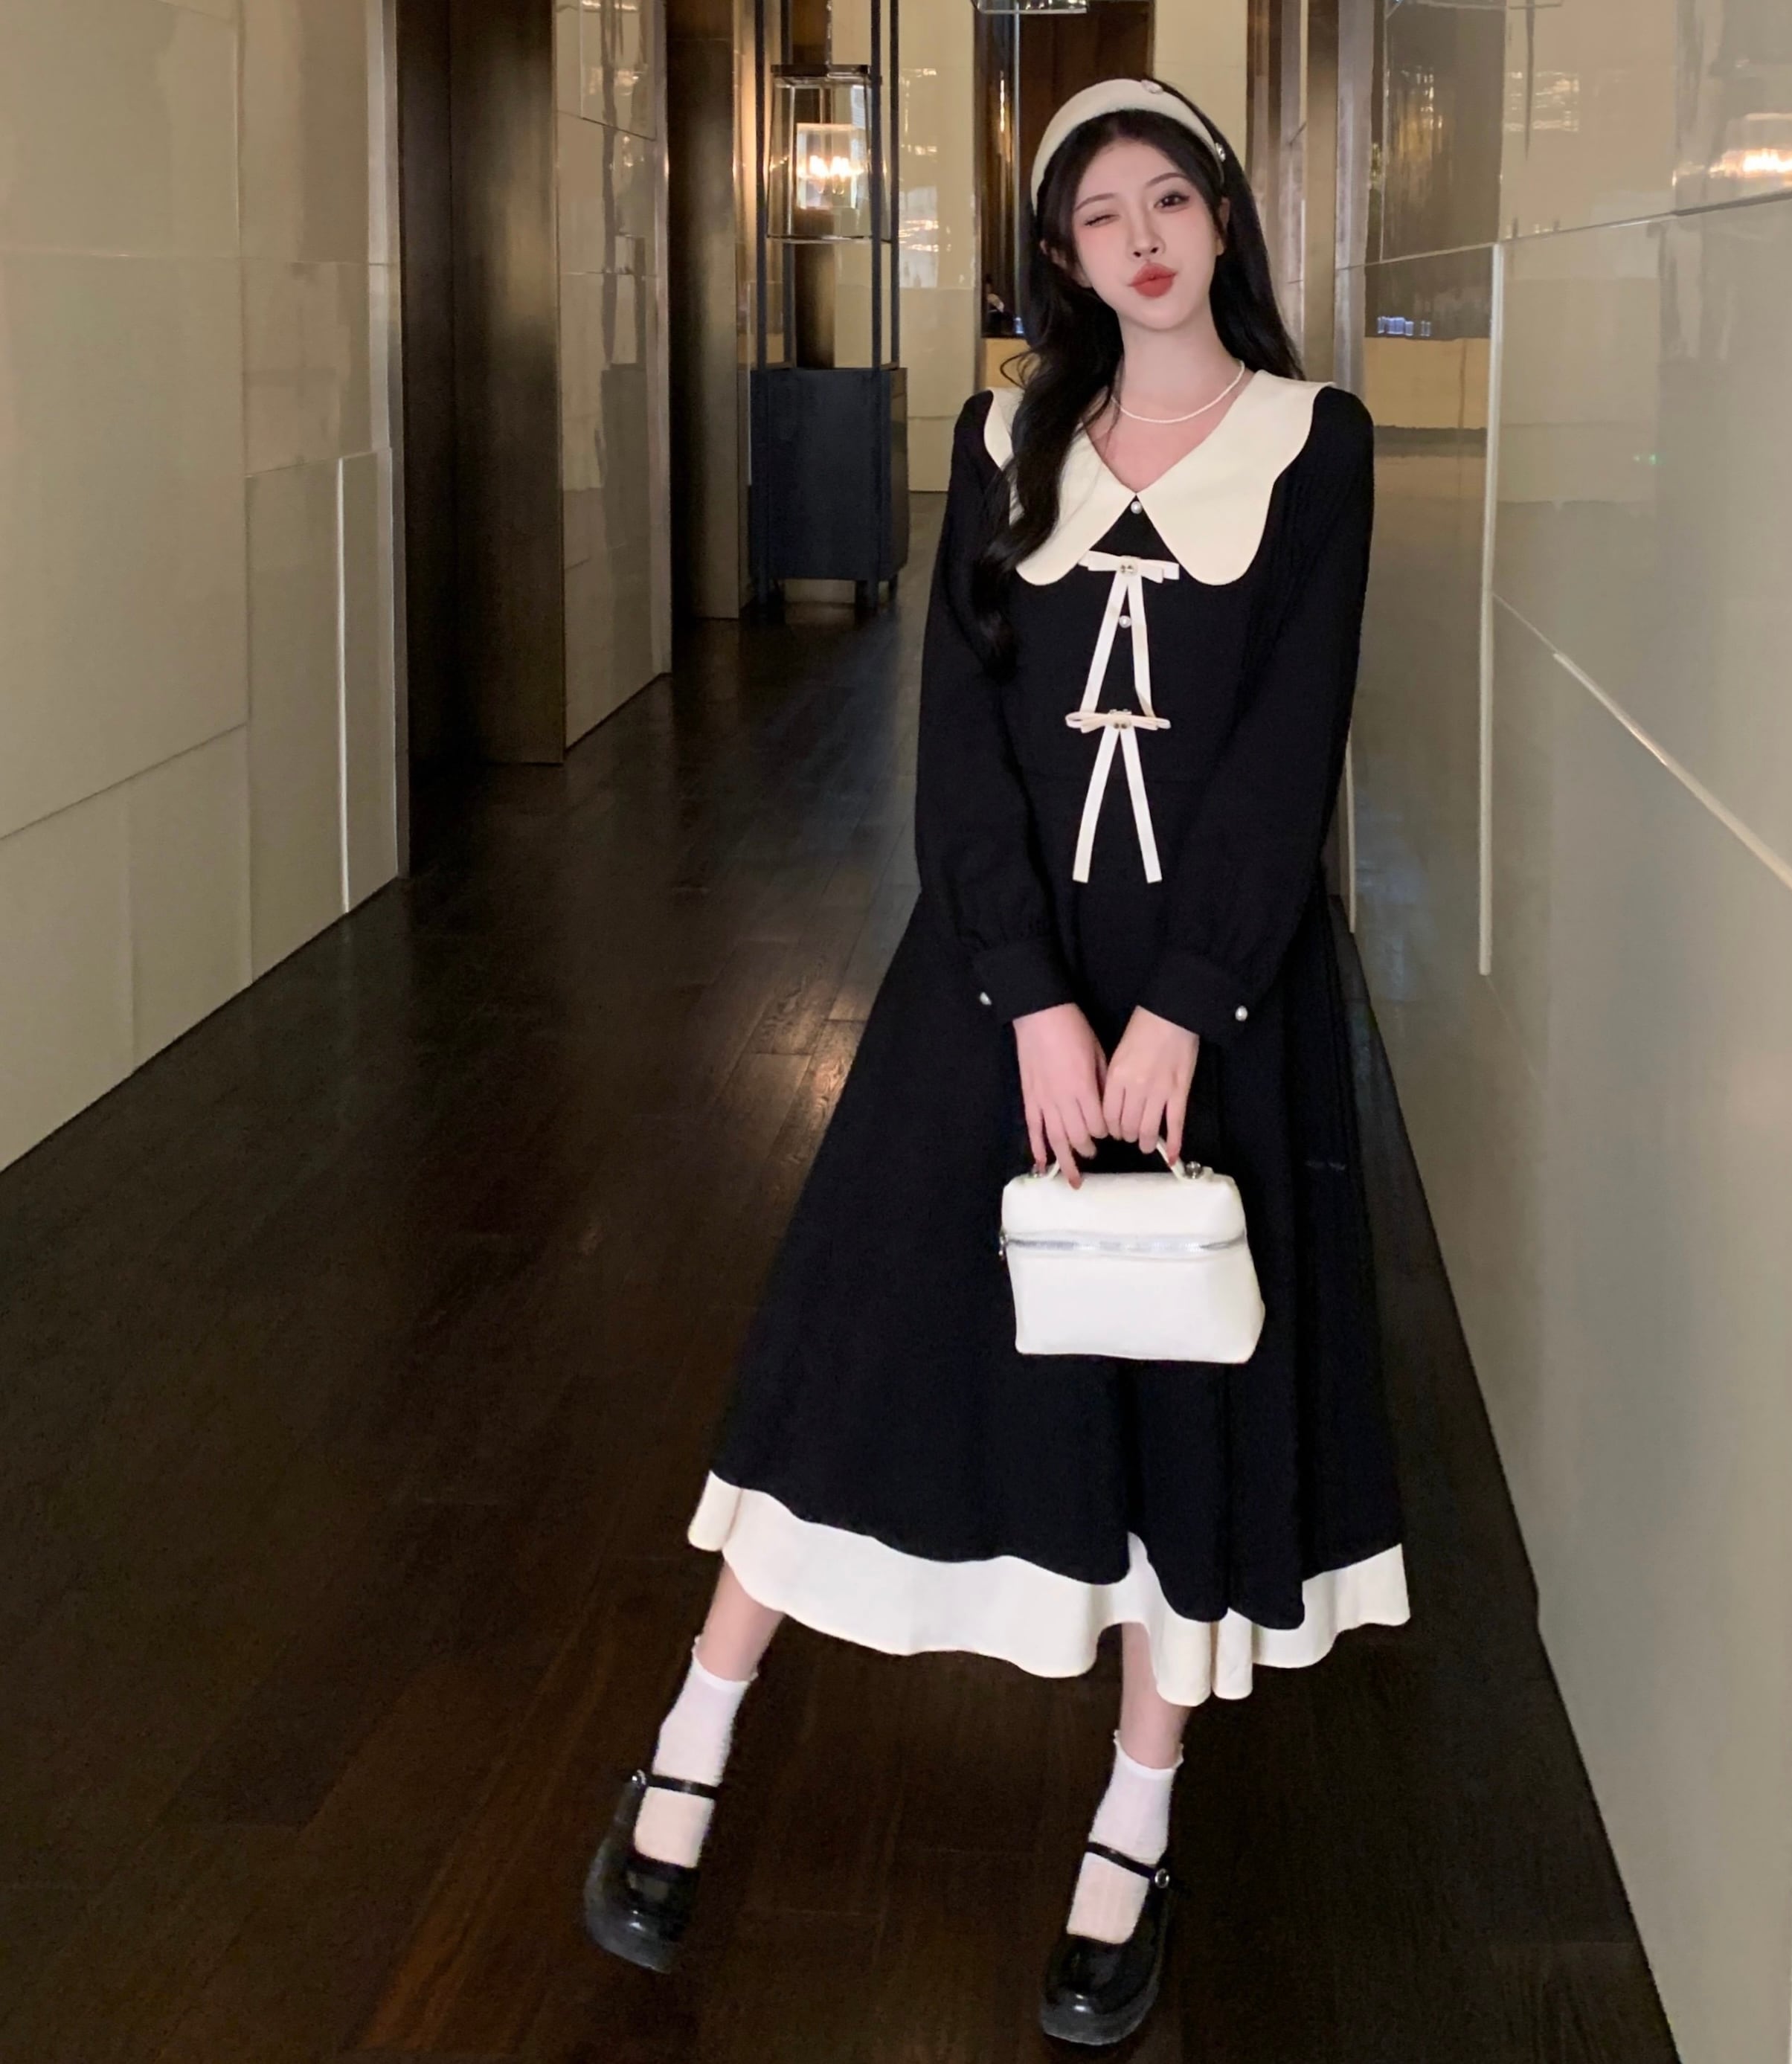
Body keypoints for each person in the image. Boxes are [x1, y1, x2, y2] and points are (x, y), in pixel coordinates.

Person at [582, 75, 1408, 2046]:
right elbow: (960, 737)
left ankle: (1135, 1819)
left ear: (1222, 218)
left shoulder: (1315, 444)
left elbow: (1288, 750)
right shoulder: (999, 442)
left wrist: (1183, 1006)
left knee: (1183, 1384)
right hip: (996, 985)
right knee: (860, 1336)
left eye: (1171, 200)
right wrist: (1031, 992)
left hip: (1217, 1006)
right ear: (1063, 256)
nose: (1143, 240)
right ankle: (691, 1737)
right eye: (1102, 216)